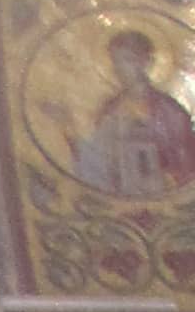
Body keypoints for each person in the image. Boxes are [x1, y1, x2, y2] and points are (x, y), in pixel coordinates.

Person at [73, 25, 195, 201]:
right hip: (119, 192)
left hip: (162, 192)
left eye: (128, 60)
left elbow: (184, 159)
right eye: (116, 61)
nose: (121, 68)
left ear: (146, 62)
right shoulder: (110, 108)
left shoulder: (169, 110)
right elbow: (98, 156)